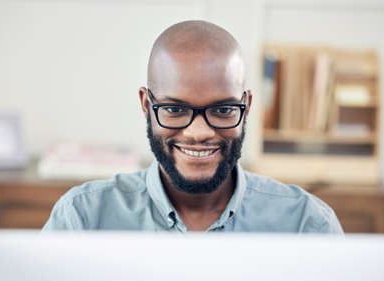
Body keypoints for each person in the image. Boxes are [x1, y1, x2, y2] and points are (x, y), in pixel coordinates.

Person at [43, 20, 343, 233]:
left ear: (247, 107)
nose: (198, 133)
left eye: (223, 110)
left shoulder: (307, 225)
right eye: (174, 109)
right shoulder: (81, 219)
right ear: (147, 105)